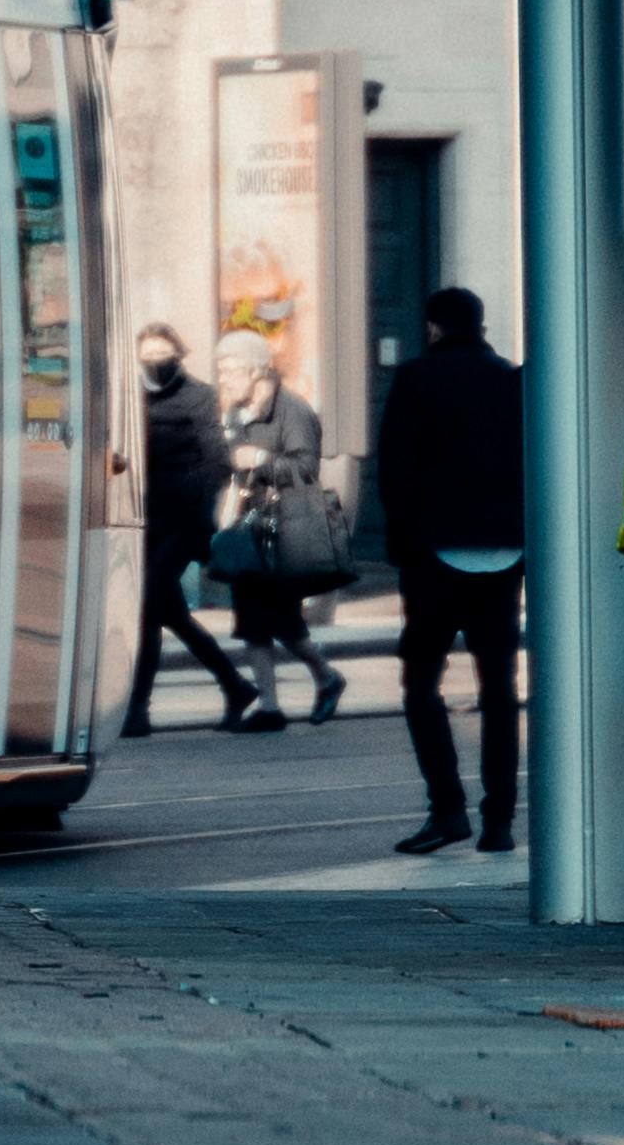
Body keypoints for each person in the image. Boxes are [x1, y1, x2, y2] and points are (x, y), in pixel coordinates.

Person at [372, 281, 525, 858]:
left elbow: (395, 472)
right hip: (505, 554)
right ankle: (500, 820)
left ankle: (447, 809)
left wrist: (404, 548)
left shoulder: (415, 379)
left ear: (434, 326)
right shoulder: (511, 378)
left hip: (435, 556)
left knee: (420, 686)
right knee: (500, 691)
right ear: (480, 325)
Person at [125, 321, 274, 733]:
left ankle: (138, 709)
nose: (155, 364)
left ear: (178, 355)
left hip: (183, 521)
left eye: (163, 356)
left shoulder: (199, 396)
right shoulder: (130, 395)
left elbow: (217, 461)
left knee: (148, 608)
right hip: (145, 521)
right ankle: (235, 686)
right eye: (148, 357)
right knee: (169, 612)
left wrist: (194, 500)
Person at [219, 345, 346, 716]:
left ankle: (326, 676)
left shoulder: (293, 411)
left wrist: (261, 459)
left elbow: (306, 469)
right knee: (250, 620)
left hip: (285, 531)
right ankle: (270, 706)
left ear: (256, 371)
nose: (223, 379)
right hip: (250, 529)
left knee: (284, 622)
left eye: (229, 370)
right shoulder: (238, 412)